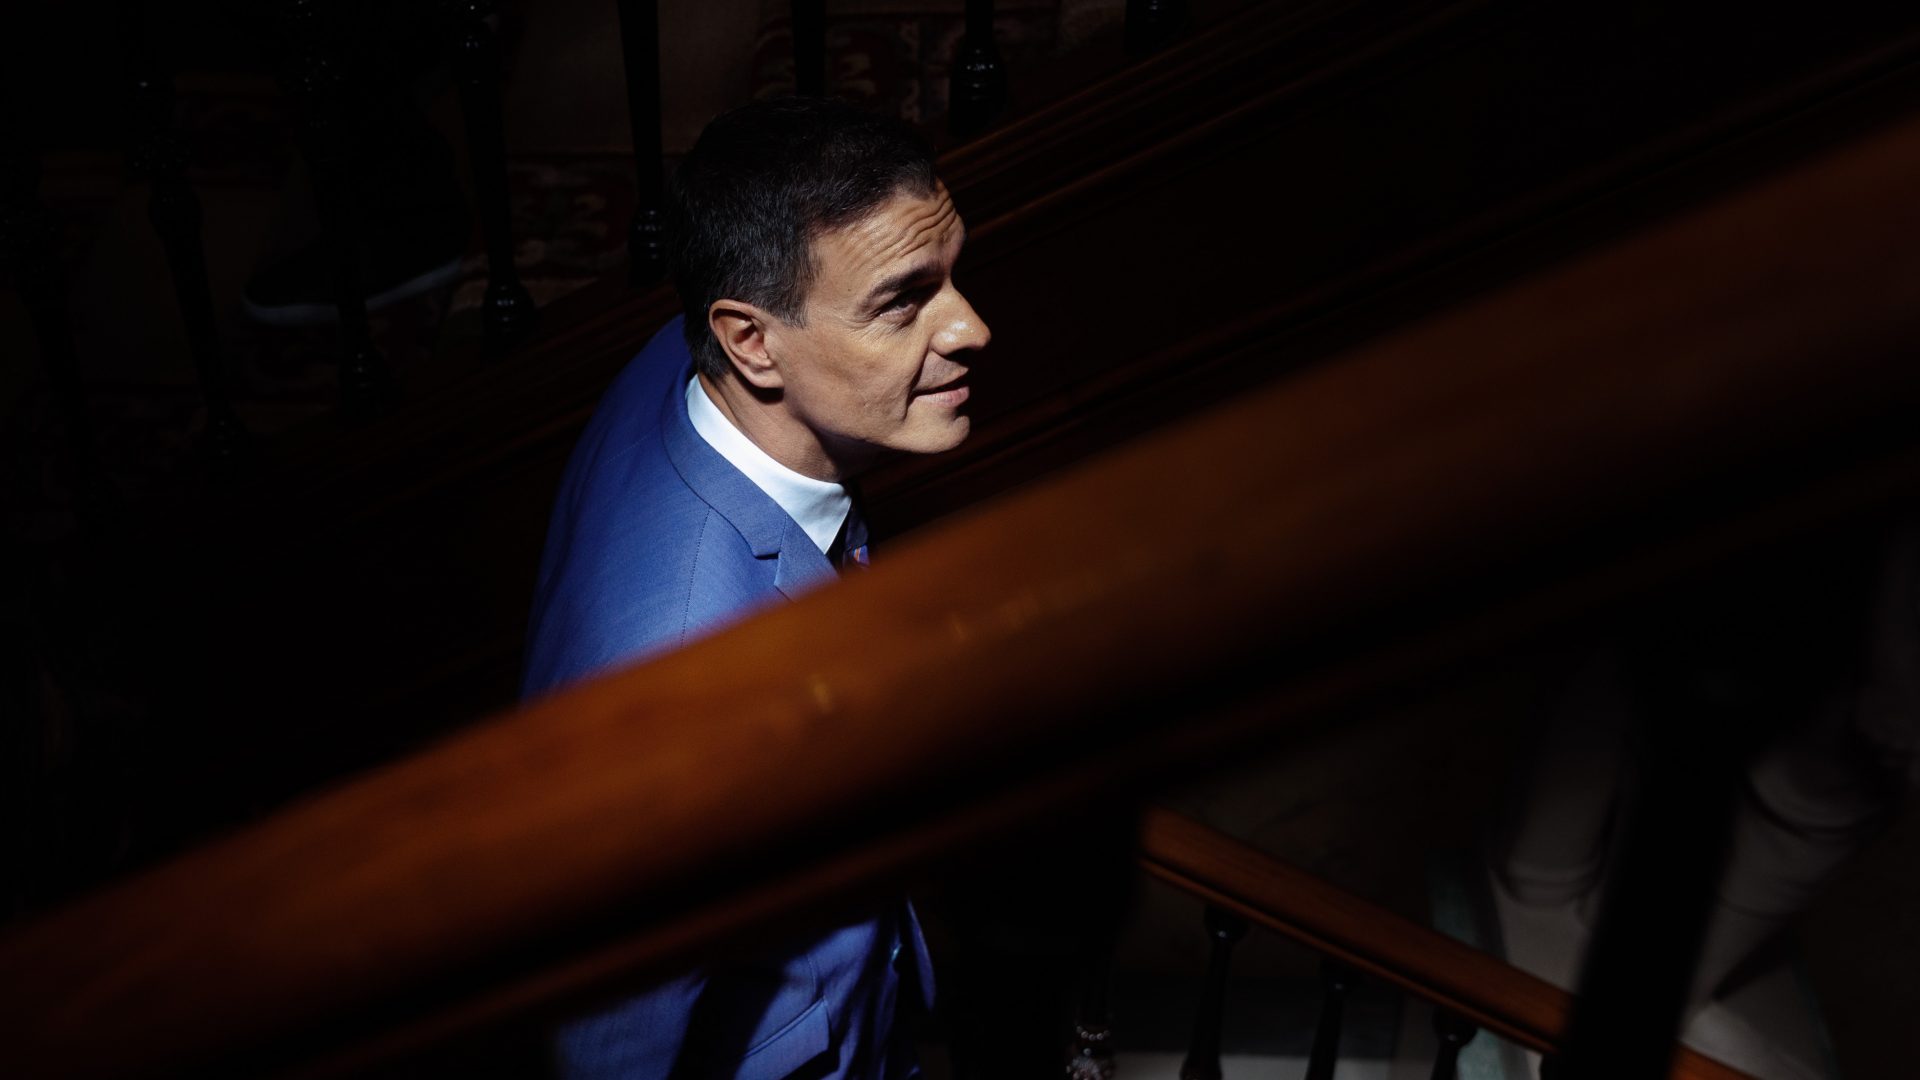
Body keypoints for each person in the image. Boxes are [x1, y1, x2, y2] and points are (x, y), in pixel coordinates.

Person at [521, 97, 990, 1080]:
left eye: (952, 278)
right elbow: (609, 1052)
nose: (971, 328)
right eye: (904, 301)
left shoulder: (683, 358)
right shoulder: (687, 685)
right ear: (751, 342)